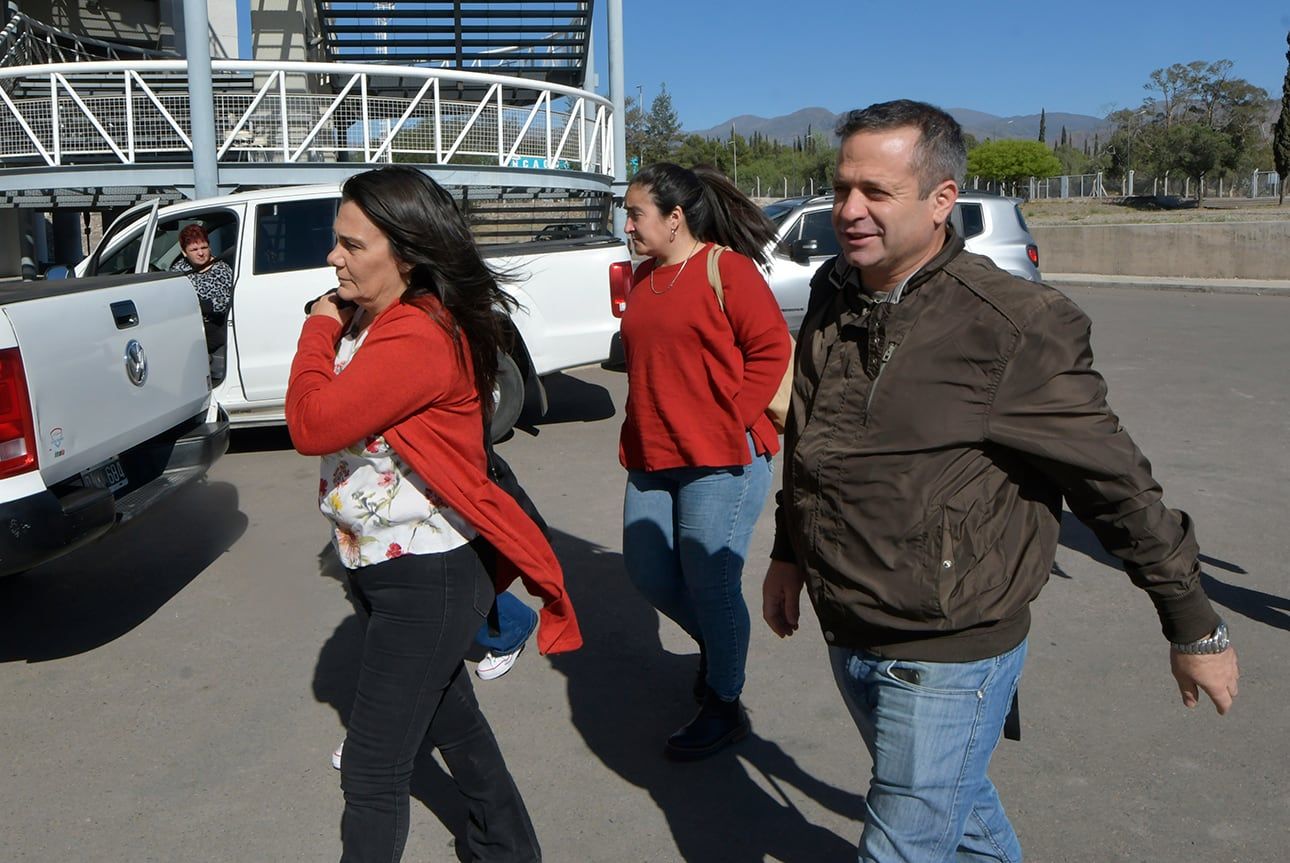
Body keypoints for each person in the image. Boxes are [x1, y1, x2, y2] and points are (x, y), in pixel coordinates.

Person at [761, 100, 1240, 862]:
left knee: (902, 845)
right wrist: (788, 552)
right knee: (965, 821)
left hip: (947, 650)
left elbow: (1114, 482)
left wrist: (1193, 623)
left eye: (876, 192)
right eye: (841, 186)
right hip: (847, 620)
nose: (847, 210)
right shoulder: (834, 291)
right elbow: (809, 435)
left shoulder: (1013, 324)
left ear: (941, 200)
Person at [286, 165, 580, 862]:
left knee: (371, 769)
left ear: (408, 254)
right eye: (336, 240)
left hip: (426, 576)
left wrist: (318, 328)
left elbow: (311, 422)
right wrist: (339, 316)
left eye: (352, 245)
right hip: (390, 567)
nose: (333, 257)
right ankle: (507, 849)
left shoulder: (417, 335)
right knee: (455, 723)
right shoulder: (382, 316)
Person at [620, 163, 791, 760]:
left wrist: (732, 417)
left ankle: (724, 700)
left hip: (722, 458)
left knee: (710, 583)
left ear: (675, 218)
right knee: (649, 573)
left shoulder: (727, 269)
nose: (628, 225)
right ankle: (721, 650)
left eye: (636, 214)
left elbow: (771, 348)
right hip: (651, 454)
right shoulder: (644, 276)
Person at [170, 223, 234, 348]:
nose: (200, 253)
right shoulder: (178, 272)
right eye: (194, 250)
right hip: (187, 327)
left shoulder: (222, 269)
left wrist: (206, 305)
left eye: (204, 247)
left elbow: (232, 300)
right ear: (184, 252)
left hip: (219, 328)